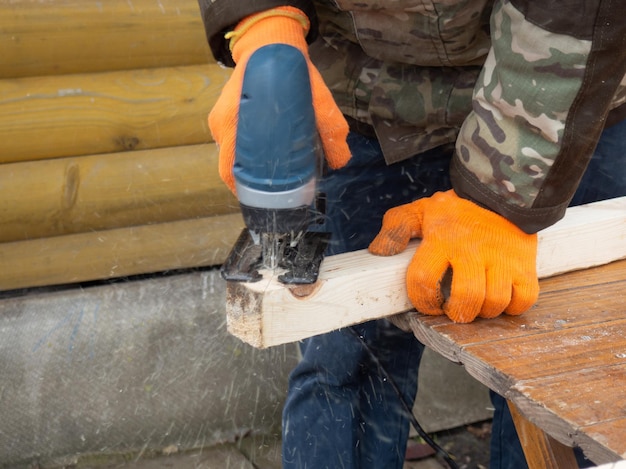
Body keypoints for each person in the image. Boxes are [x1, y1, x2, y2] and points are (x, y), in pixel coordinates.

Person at [196, 1, 626, 467]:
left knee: (556, 363)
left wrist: (504, 199)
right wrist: (263, 23)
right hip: (361, 101)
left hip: (561, 102)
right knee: (344, 359)